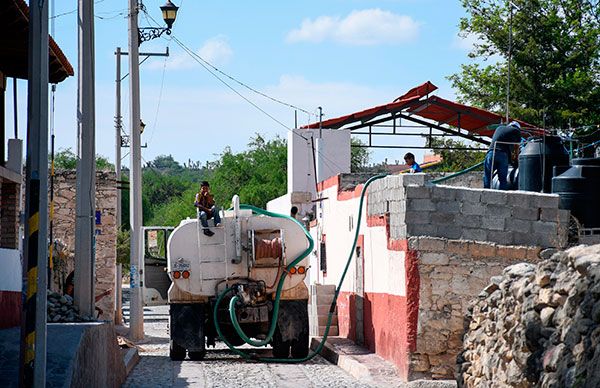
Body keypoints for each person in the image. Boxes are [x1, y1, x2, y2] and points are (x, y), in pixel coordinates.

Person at [483, 121, 523, 190]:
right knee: (502, 179)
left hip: (492, 152)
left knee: (487, 176)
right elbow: (516, 148)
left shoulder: (499, 128)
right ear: (518, 128)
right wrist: (516, 162)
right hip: (503, 155)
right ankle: (502, 195)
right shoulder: (517, 131)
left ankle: (485, 194)